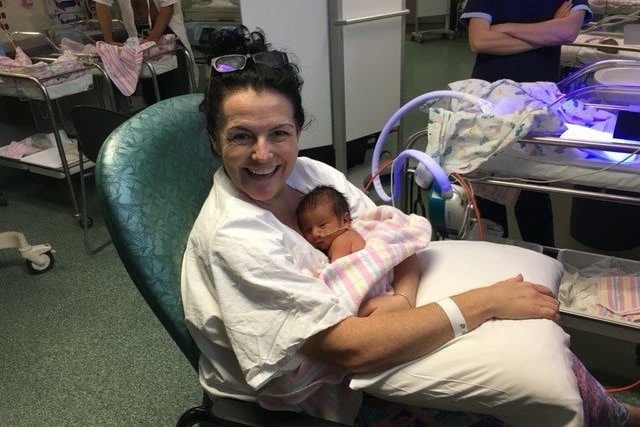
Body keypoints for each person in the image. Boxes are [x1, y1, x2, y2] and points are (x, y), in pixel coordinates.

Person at [181, 25, 640, 426]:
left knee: (531, 355)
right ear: (213, 139)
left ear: (299, 131)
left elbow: (392, 239)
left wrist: (401, 296)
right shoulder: (236, 237)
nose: (263, 155)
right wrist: (484, 303)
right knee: (509, 384)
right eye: (241, 136)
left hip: (367, 337)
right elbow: (350, 349)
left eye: (278, 133)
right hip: (302, 403)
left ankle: (616, 417)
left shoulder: (312, 176)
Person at [459, 0, 592, 247]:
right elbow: (480, 41)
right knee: (488, 193)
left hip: (537, 103)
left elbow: (568, 32)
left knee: (533, 194)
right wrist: (548, 30)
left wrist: (504, 27)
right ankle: (491, 264)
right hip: (491, 99)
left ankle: (544, 261)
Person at [296, 185, 422, 316]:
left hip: (370, 290)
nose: (315, 233)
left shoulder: (342, 239)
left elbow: (338, 270)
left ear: (344, 221)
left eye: (322, 225)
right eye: (308, 230)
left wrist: (321, 277)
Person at [93, 0, 195, 104]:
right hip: (138, 35)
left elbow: (168, 6)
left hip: (166, 31)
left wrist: (152, 39)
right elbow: (102, 3)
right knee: (151, 96)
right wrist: (108, 40)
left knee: (177, 94)